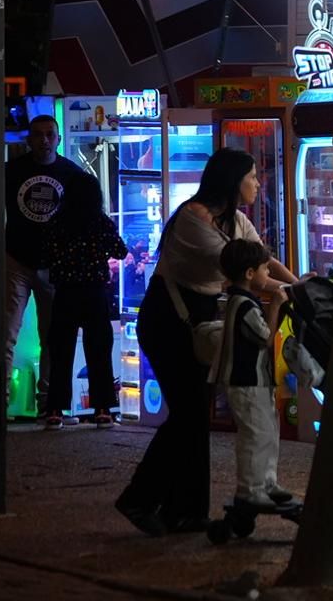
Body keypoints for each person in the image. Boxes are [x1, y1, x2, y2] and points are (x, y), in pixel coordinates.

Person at [116, 148, 297, 536]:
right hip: (169, 321)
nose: (257, 183)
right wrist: (296, 294)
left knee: (194, 416)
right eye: (251, 177)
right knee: (188, 415)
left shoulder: (235, 221)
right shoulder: (193, 221)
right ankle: (140, 499)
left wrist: (299, 284)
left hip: (196, 320)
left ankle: (185, 511)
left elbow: (263, 259)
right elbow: (253, 276)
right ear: (232, 182)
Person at [5, 114, 92, 408]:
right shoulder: (12, 171)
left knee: (53, 338)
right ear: (30, 140)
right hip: (17, 259)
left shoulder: (72, 174)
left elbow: (84, 215)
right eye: (38, 135)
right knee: (6, 334)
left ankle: (49, 403)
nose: (44, 140)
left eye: (49, 134)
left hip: (55, 264)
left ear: (58, 139)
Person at [41, 173, 126, 428]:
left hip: (65, 292)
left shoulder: (57, 223)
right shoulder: (100, 222)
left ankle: (55, 411)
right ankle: (102, 410)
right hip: (95, 292)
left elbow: (45, 256)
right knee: (99, 351)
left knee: (61, 352)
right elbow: (120, 251)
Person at [216, 238, 294, 510]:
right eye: (265, 270)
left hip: (256, 381)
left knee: (268, 432)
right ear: (250, 274)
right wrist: (275, 306)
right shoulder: (244, 305)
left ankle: (267, 482)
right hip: (246, 381)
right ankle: (250, 489)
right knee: (255, 435)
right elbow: (264, 337)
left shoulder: (242, 300)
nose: (268, 275)